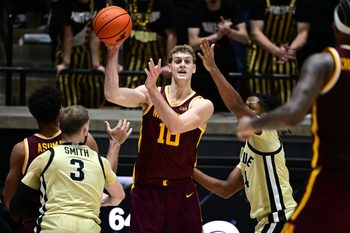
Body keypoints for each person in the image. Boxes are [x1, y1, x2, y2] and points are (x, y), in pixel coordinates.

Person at [236, 1, 350, 232]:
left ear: (334, 29)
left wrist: (254, 122)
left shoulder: (325, 62)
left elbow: (292, 114)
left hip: (333, 175)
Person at [104, 42, 214, 232]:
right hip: (147, 188)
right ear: (169, 67)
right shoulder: (149, 94)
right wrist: (113, 52)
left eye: (187, 61)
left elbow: (176, 127)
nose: (182, 65)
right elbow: (112, 94)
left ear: (194, 69)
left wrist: (153, 91)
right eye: (177, 61)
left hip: (181, 189)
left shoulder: (202, 105)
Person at [194, 39, 296, 232]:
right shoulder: (251, 148)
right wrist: (188, 169)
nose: (246, 112)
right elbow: (226, 189)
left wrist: (213, 69)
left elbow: (236, 106)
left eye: (252, 108)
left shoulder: (266, 132)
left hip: (280, 218)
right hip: (269, 222)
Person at [2, 86, 131, 232]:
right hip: (85, 221)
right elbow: (104, 179)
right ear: (59, 113)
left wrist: (39, 213)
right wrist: (114, 144)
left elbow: (9, 201)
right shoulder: (85, 140)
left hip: (43, 221)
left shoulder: (23, 149)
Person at [188, 0, 249, 112]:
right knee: (202, 107)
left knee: (226, 105)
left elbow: (245, 38)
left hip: (227, 63)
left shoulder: (231, 6)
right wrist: (218, 35)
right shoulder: (196, 8)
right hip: (202, 65)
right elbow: (193, 43)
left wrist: (228, 31)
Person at [246, 0, 310, 104]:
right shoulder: (259, 2)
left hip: (286, 54)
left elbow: (303, 33)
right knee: (259, 103)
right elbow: (255, 32)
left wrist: (290, 50)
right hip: (260, 55)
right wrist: (277, 51)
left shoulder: (300, 2)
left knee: (288, 101)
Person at [49, 0, 108, 108]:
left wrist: (97, 64)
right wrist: (66, 63)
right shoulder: (65, 4)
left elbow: (95, 35)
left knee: (94, 97)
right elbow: (68, 35)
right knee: (71, 103)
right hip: (69, 54)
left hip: (89, 56)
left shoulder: (99, 3)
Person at [112, 0, 177, 89]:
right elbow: (117, 34)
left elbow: (171, 35)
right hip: (133, 56)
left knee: (160, 91)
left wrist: (168, 64)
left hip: (158, 56)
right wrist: (115, 62)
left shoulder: (165, 3)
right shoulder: (125, 3)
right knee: (130, 87)